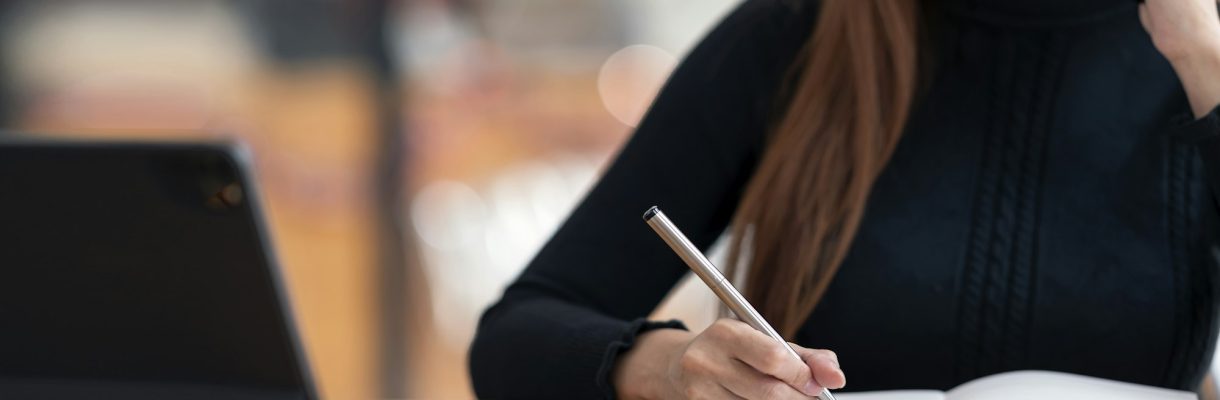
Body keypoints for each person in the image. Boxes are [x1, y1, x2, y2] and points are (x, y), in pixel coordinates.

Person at [469, 0, 1220, 398]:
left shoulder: (1202, 54)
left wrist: (1208, 63)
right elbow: (512, 338)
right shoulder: (792, 37)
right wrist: (666, 368)